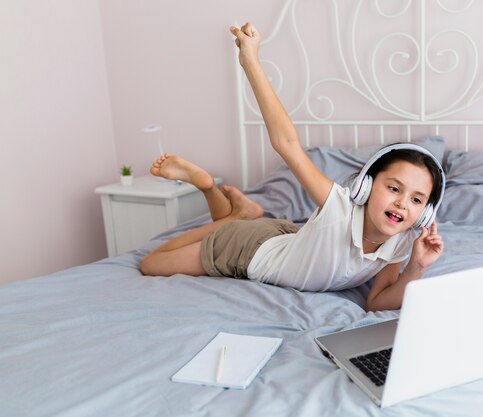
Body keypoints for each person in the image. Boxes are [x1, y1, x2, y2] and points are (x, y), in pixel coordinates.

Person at [140, 22, 445, 312]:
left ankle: (241, 214)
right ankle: (216, 197)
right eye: (393, 188)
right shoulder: (339, 207)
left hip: (286, 238)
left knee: (239, 228)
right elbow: (287, 144)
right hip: (248, 253)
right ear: (366, 184)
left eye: (416, 199)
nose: (402, 203)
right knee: (152, 263)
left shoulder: (403, 240)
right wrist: (251, 60)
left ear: (426, 212)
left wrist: (417, 266)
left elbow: (376, 302)